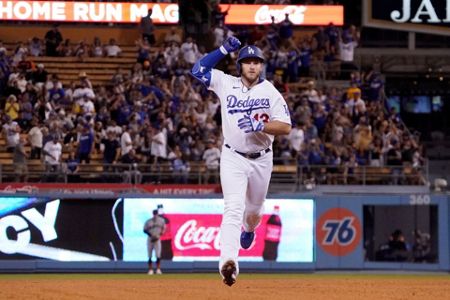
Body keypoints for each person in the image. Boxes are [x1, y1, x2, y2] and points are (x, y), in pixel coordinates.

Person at [191, 37, 291, 286]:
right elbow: (197, 70)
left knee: (254, 212)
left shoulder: (270, 91)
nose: (252, 66)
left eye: (256, 62)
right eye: (247, 61)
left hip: (261, 159)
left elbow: (286, 127)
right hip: (232, 156)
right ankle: (229, 263)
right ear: (240, 66)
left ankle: (249, 231)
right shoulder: (226, 83)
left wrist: (262, 124)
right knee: (233, 208)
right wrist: (223, 49)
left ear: (261, 66)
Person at [143, 209, 166, 275]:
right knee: (149, 255)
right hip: (150, 239)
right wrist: (150, 235)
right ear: (153, 213)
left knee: (158, 255)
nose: (155, 214)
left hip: (157, 239)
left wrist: (159, 236)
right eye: (154, 213)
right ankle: (150, 270)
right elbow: (144, 230)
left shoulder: (161, 221)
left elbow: (164, 229)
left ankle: (158, 269)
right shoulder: (148, 221)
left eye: (156, 213)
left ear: (157, 213)